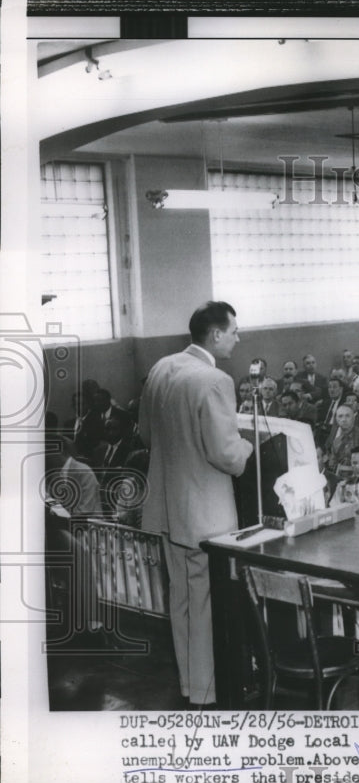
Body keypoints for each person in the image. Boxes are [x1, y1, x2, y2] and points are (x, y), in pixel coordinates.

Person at [138, 301, 254, 709]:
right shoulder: (215, 379)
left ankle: (190, 686)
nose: (239, 338)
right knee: (203, 601)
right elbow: (226, 454)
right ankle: (207, 692)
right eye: (234, 331)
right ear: (216, 334)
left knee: (181, 600)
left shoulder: (161, 368)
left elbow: (145, 434)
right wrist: (247, 446)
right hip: (205, 514)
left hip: (167, 506)